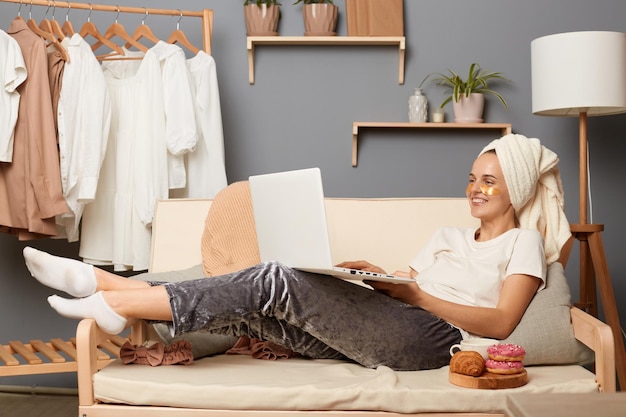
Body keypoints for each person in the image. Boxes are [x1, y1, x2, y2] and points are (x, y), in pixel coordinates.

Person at [23, 134, 571, 372]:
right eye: (472, 178)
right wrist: (379, 279)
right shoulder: (447, 236)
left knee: (273, 279)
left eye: (490, 183)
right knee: (257, 310)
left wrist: (413, 293)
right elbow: (409, 283)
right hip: (398, 316)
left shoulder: (524, 243)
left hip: (438, 342)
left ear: (516, 190)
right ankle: (105, 292)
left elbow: (501, 322)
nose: (475, 189)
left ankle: (102, 289)